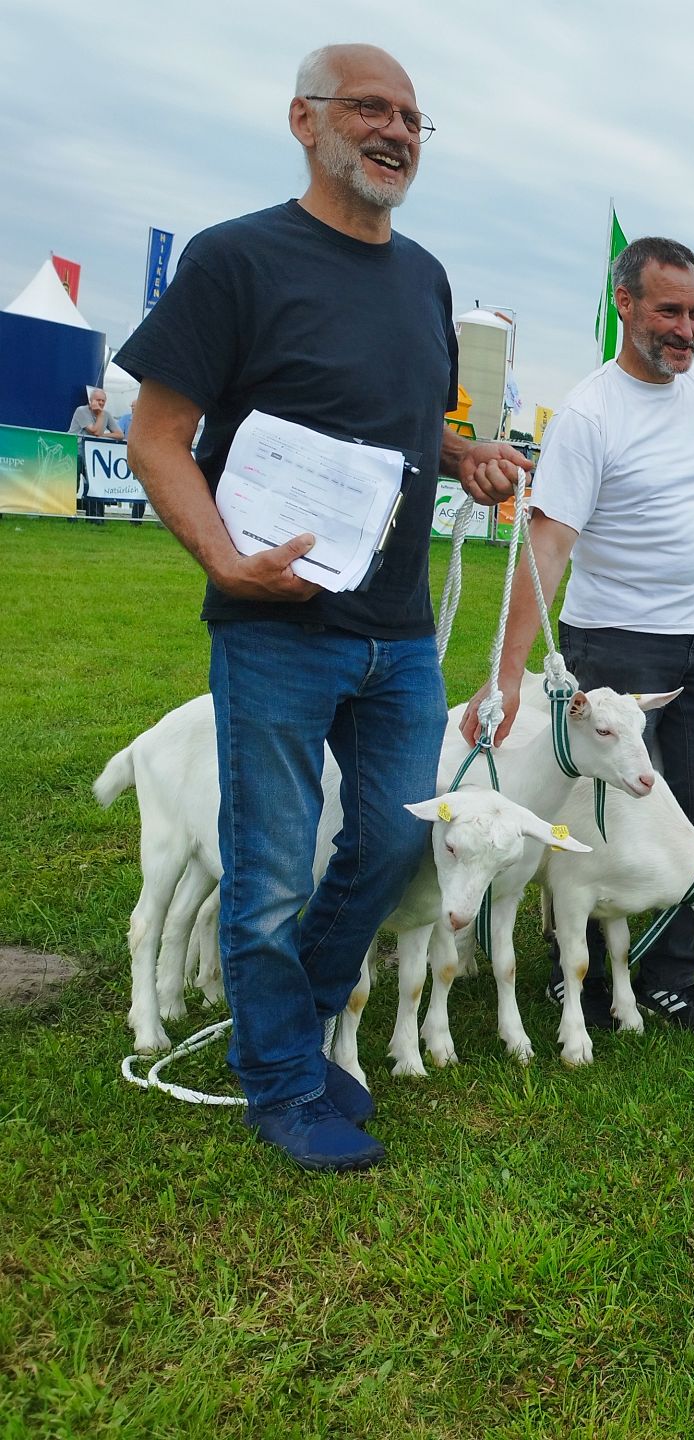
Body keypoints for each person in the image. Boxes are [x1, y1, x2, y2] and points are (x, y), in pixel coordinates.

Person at [117, 44, 528, 1171]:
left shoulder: (425, 278)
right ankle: (286, 1083)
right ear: (305, 121)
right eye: (370, 109)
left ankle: (293, 1027)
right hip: (274, 626)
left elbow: (392, 428)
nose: (395, 130)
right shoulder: (235, 258)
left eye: (412, 117)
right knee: (268, 874)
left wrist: (463, 455)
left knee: (399, 838)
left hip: (396, 631)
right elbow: (157, 435)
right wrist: (225, 564)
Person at [461, 235, 694, 1032]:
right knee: (593, 816)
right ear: (625, 304)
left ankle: (671, 972)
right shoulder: (590, 412)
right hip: (614, 643)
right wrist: (508, 672)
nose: (686, 329)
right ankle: (572, 972)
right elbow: (547, 544)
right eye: (669, 311)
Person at [69, 387, 123, 523]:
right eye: (98, 400)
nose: (101, 403)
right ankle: (69, 516)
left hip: (92, 455)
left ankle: (95, 518)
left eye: (103, 401)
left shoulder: (106, 414)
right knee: (72, 485)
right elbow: (94, 431)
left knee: (94, 486)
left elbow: (120, 435)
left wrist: (104, 435)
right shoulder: (81, 411)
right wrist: (99, 415)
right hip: (75, 451)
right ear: (91, 400)